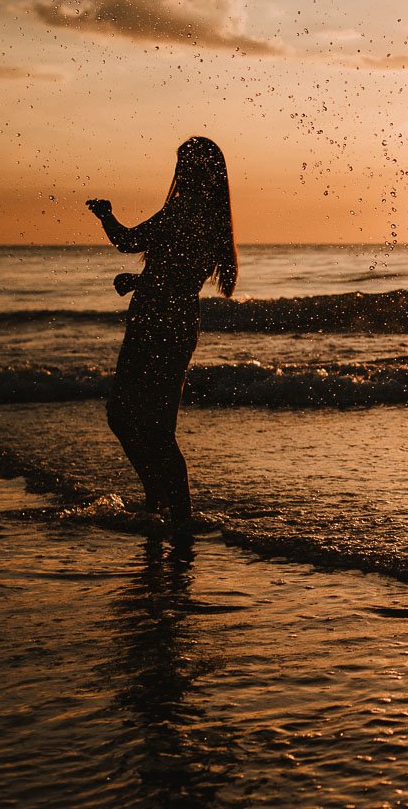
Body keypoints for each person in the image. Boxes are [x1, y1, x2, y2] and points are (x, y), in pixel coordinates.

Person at [87, 136, 238, 524]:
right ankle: (164, 504)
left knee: (134, 419)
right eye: (181, 163)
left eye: (186, 164)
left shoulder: (187, 212)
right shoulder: (207, 217)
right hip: (169, 318)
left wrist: (105, 215)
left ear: (199, 172)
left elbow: (129, 240)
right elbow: (180, 276)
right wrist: (140, 281)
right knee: (147, 422)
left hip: (160, 323)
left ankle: (174, 511)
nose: (181, 171)